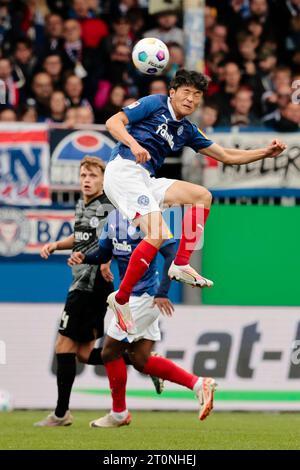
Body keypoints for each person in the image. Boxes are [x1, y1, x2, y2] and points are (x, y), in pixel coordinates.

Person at [103, 68, 287, 334]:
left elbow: (226, 155)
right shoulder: (155, 103)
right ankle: (121, 299)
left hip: (145, 178)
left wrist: (265, 153)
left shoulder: (187, 129)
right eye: (186, 92)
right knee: (157, 234)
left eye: (197, 94)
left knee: (202, 196)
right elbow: (113, 122)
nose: (190, 98)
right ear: (173, 92)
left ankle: (180, 263)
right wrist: (133, 144)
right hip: (123, 170)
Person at [34, 156, 162, 427]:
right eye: (83, 176)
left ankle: (61, 414)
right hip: (84, 283)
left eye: (92, 176)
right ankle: (144, 361)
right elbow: (81, 238)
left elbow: (113, 239)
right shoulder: (83, 205)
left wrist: (104, 261)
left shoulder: (108, 206)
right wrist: (57, 244)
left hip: (88, 286)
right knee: (83, 353)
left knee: (63, 345)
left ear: (104, 180)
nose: (86, 180)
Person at [69, 209, 217, 427]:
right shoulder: (113, 218)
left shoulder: (149, 217)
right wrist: (85, 257)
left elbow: (171, 253)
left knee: (110, 352)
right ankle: (199, 384)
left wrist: (163, 293)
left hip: (144, 298)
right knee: (141, 359)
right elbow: (104, 253)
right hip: (135, 298)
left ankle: (119, 413)